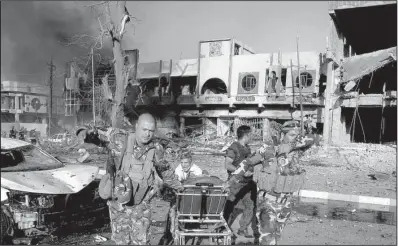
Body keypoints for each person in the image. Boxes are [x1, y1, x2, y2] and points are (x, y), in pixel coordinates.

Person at [106, 113, 183, 245]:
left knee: (141, 242)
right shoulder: (120, 141)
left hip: (142, 206)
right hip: (120, 205)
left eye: (151, 131)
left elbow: (166, 173)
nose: (147, 134)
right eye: (144, 129)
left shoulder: (157, 149)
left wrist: (181, 188)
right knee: (121, 241)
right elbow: (97, 141)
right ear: (136, 126)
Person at [255, 126, 315, 245]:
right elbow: (255, 157)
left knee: (277, 235)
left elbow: (312, 138)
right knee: (267, 239)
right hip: (269, 200)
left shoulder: (295, 150)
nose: (295, 138)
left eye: (296, 136)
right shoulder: (271, 148)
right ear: (282, 135)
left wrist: (292, 144)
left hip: (286, 202)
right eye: (292, 135)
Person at [223, 125, 257, 238]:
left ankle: (243, 229)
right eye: (251, 134)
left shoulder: (247, 148)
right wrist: (241, 172)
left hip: (247, 183)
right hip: (235, 182)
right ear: (246, 135)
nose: (252, 137)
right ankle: (224, 229)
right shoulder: (234, 148)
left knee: (250, 205)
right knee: (229, 206)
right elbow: (227, 165)